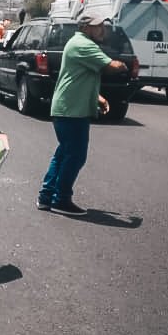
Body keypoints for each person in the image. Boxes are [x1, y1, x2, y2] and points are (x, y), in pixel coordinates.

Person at [36, 12, 129, 216]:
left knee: (64, 154)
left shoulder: (78, 43)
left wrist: (98, 97)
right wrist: (123, 64)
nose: (102, 30)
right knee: (75, 155)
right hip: (72, 111)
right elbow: (110, 66)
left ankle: (46, 196)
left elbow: (79, 77)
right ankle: (60, 199)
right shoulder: (83, 45)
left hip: (68, 108)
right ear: (86, 27)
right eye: (98, 26)